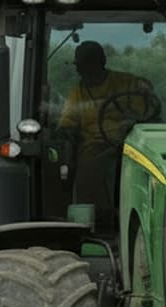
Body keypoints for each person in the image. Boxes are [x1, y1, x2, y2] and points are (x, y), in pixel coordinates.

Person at [57, 41, 159, 211]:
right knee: (88, 171)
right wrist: (64, 132)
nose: (81, 70)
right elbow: (68, 123)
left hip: (133, 142)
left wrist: (130, 123)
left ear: (101, 62)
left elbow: (147, 110)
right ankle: (92, 216)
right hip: (95, 147)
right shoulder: (77, 93)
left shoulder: (127, 82)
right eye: (80, 66)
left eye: (87, 64)